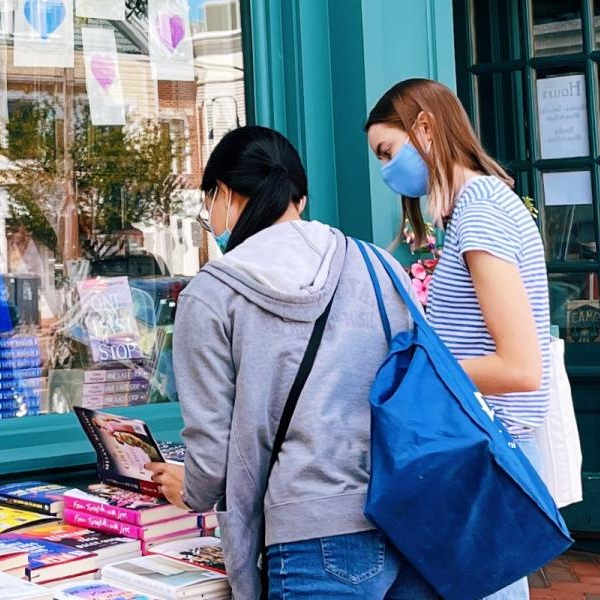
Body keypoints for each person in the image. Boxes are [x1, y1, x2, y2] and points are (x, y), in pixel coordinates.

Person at [147, 125, 436, 599]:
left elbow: (211, 449)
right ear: (295, 199)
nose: (212, 220)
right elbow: (423, 379)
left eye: (208, 206)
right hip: (412, 515)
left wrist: (191, 490)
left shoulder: (211, 294)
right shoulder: (377, 264)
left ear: (223, 193)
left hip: (311, 531)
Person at [365, 78, 551, 600]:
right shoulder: (479, 207)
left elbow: (518, 366)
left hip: (485, 464)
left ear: (424, 127)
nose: (385, 170)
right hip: (482, 459)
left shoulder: (483, 213)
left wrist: (411, 376)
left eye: (387, 151)